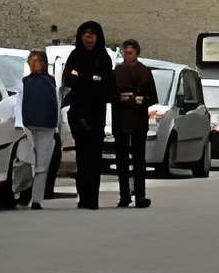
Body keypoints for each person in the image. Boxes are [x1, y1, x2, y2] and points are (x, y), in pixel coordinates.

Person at [60, 20, 114, 208]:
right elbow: (69, 78)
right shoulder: (75, 55)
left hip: (96, 114)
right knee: (81, 156)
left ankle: (92, 198)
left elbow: (105, 85)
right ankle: (83, 196)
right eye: (85, 34)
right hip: (77, 113)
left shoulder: (103, 58)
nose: (89, 38)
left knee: (93, 157)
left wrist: (84, 79)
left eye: (93, 34)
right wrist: (89, 80)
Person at [112, 38, 158, 209]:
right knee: (122, 160)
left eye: (130, 53)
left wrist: (142, 100)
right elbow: (110, 94)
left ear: (136, 53)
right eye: (125, 52)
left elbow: (153, 97)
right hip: (121, 119)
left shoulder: (144, 72)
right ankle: (124, 196)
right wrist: (120, 98)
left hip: (138, 120)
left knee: (139, 159)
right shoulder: (116, 72)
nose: (127, 55)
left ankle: (140, 195)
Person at [14, 49, 60, 206]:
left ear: (45, 64)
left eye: (38, 61)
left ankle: (37, 199)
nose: (35, 65)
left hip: (47, 125)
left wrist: (57, 126)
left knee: (42, 165)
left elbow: (56, 103)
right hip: (28, 125)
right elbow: (18, 103)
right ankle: (20, 190)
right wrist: (19, 124)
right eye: (32, 62)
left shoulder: (52, 82)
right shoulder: (24, 82)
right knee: (24, 159)